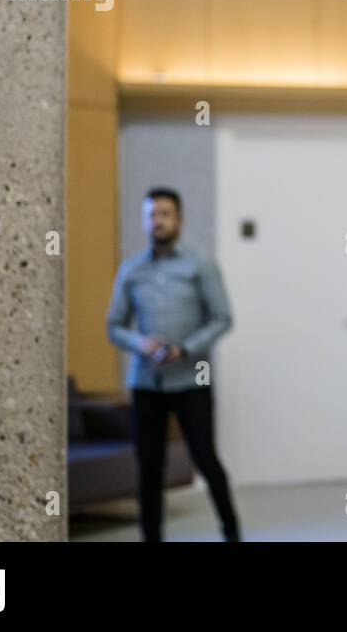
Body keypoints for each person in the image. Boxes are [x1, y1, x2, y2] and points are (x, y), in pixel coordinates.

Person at [106, 187, 241, 542]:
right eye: (152, 215)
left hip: (191, 383)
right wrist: (141, 343)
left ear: (179, 219)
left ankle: (232, 532)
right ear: (145, 221)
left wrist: (185, 348)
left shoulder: (201, 264)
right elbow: (114, 326)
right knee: (150, 468)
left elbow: (223, 318)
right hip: (146, 384)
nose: (158, 221)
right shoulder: (132, 270)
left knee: (206, 460)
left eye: (165, 214)